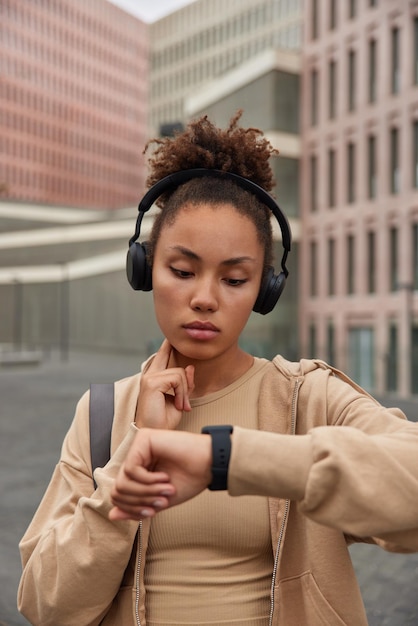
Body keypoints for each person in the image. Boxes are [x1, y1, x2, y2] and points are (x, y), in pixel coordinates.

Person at [17, 111, 418, 626]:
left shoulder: (310, 399)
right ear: (144, 268)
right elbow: (45, 604)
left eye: (234, 279)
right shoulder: (103, 413)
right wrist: (123, 473)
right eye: (182, 271)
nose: (204, 298)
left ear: (265, 292)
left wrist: (224, 458)